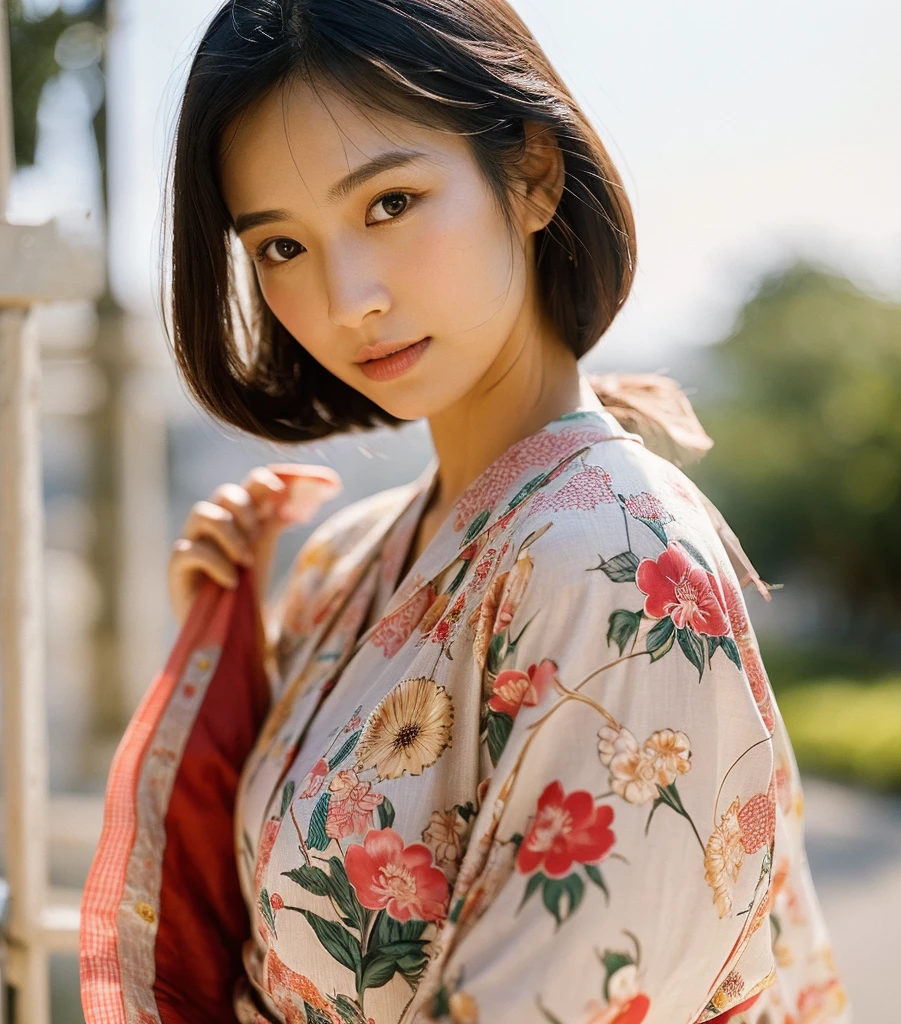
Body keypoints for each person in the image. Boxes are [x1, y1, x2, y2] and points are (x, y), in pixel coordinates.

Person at [80, 2, 850, 1023]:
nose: (347, 295)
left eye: (390, 201)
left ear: (530, 174)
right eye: (279, 247)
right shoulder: (341, 562)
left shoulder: (618, 560)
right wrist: (225, 648)